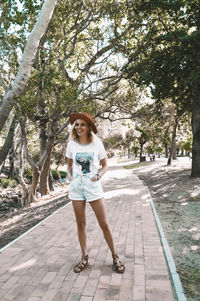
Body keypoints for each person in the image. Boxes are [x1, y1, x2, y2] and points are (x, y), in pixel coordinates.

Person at [66, 112, 125, 274]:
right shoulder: (71, 144)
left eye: (82, 124)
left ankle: (115, 256)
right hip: (77, 188)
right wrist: (70, 177)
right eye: (76, 124)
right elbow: (69, 165)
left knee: (104, 224)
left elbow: (105, 165)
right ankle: (84, 257)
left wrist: (98, 175)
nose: (79, 127)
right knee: (81, 224)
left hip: (93, 187)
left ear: (89, 127)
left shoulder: (96, 143)